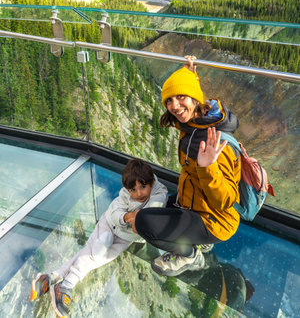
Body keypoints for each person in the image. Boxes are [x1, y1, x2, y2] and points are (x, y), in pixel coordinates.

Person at [134, 56, 242, 277]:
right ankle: (200, 242)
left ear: (194, 98)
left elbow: (227, 200)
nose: (174, 106)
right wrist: (190, 76)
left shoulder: (217, 142)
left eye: (180, 97)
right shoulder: (197, 120)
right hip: (193, 203)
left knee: (142, 222)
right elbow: (187, 103)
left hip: (214, 220)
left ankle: (191, 255)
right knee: (153, 203)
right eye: (169, 100)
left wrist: (208, 166)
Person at [30, 158, 168, 317]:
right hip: (109, 222)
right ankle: (66, 285)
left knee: (89, 254)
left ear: (151, 182)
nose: (139, 194)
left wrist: (138, 219)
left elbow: (149, 216)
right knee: (97, 252)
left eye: (143, 187)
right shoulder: (125, 193)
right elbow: (116, 213)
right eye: (133, 190)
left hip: (126, 238)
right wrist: (128, 217)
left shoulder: (159, 192)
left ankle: (52, 277)